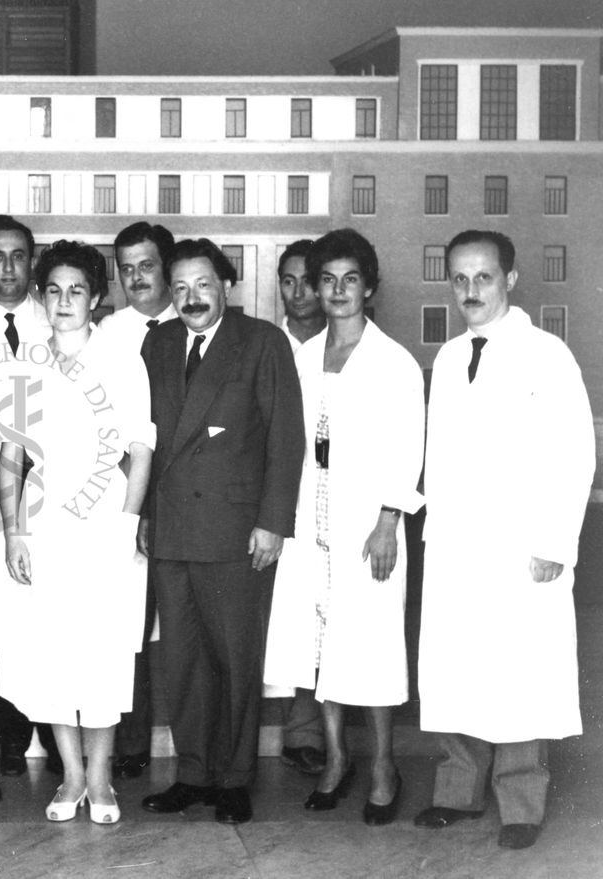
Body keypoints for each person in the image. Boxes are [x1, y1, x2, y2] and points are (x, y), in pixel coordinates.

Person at [413, 230, 594, 851]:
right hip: (459, 546)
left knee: (518, 672)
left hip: (520, 546)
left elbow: (575, 455)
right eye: (459, 279)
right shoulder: (446, 357)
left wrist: (553, 542)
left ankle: (520, 802)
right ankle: (457, 792)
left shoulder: (547, 354)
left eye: (483, 277)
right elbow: (437, 457)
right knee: (458, 668)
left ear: (510, 280)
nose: (470, 291)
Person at [262, 229, 425, 826]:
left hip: (367, 527)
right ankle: (336, 761)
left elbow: (410, 446)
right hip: (312, 523)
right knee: (320, 648)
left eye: (348, 280)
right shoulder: (302, 357)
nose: (334, 291)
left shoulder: (394, 361)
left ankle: (382, 765)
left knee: (373, 646)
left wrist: (388, 521)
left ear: (370, 287)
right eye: (324, 280)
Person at [140, 238, 304, 825]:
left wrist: (272, 523)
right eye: (179, 288)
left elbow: (287, 441)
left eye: (202, 285)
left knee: (235, 659)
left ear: (226, 286)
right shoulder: (157, 343)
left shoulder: (261, 342)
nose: (191, 298)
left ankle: (234, 778)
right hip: (172, 530)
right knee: (180, 659)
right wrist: (144, 516)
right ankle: (191, 772)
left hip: (237, 531)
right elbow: (146, 439)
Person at [0, 240, 154, 825]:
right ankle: (71, 775)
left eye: (77, 291)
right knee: (51, 648)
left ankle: (104, 777)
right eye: (54, 290)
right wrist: (14, 532)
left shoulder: (121, 359)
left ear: (95, 298)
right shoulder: (25, 364)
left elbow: (140, 448)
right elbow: (11, 455)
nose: (64, 302)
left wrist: (127, 523)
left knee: (103, 648)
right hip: (44, 524)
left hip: (105, 518)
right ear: (40, 296)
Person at [0, 214, 60, 778]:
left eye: (18, 256)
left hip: (49, 495)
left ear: (33, 261)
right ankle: (8, 734)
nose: (7, 268)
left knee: (47, 610)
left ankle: (55, 733)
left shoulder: (57, 321)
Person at [97, 221, 176, 779]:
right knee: (126, 626)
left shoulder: (201, 323)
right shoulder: (106, 335)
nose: (136, 278)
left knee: (183, 632)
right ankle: (130, 743)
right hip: (126, 498)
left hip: (191, 501)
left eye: (146, 266)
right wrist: (137, 504)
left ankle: (193, 747)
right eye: (126, 269)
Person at [263, 238, 329, 777]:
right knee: (280, 618)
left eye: (309, 279)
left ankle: (308, 731)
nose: (299, 292)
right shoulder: (263, 343)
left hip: (331, 502)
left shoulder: (344, 345)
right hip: (271, 500)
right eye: (288, 280)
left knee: (321, 616)